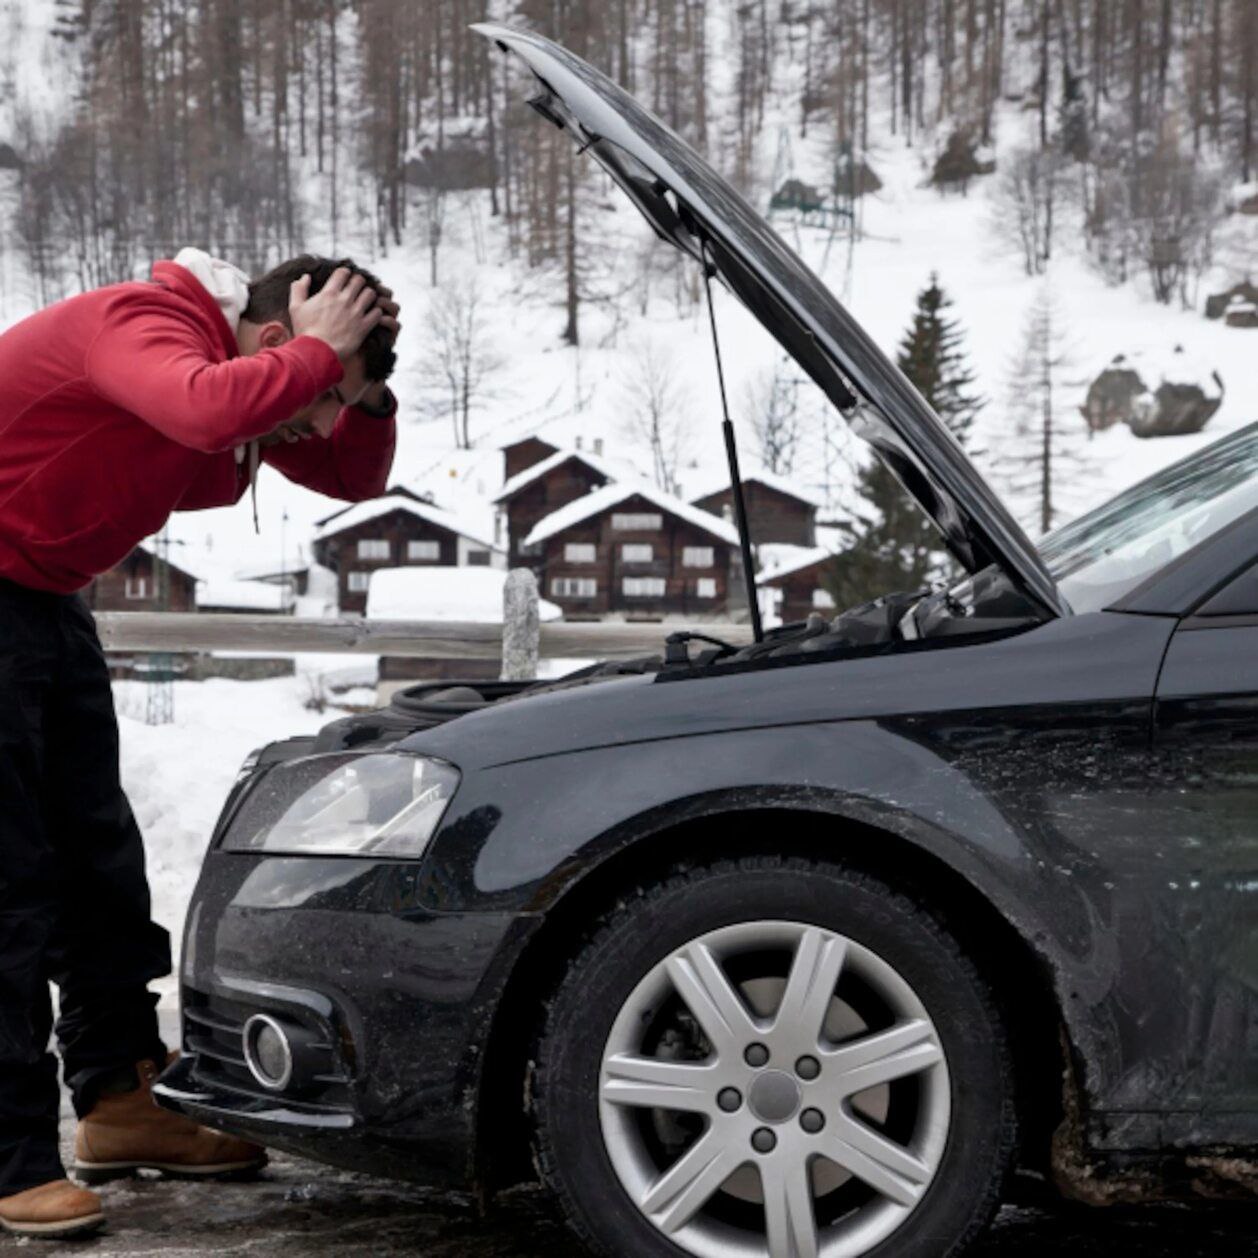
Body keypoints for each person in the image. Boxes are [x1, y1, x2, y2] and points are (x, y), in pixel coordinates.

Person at [0, 249, 401, 1238]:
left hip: (43, 599)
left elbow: (349, 471)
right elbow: (204, 411)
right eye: (311, 394)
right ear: (274, 342)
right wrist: (322, 354)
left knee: (99, 867)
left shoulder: (255, 376)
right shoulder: (144, 325)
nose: (311, 423)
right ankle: (4, 1156)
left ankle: (119, 1102)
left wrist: (367, 383)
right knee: (7, 881)